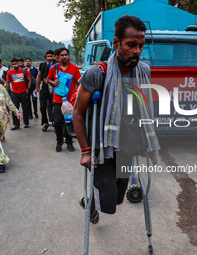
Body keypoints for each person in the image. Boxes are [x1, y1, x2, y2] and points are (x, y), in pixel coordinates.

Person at [73, 15, 160, 223]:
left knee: (119, 199)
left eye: (141, 46)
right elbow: (77, 113)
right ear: (116, 43)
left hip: (126, 145)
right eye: (131, 45)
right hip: (102, 146)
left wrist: (145, 141)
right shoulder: (97, 73)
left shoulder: (143, 72)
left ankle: (89, 202)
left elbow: (144, 109)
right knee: (108, 199)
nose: (137, 51)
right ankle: (91, 205)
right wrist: (85, 152)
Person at [47, 48, 81, 152]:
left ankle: (69, 142)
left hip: (70, 101)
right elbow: (47, 79)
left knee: (69, 122)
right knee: (57, 121)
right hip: (57, 100)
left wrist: (76, 95)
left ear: (68, 56)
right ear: (58, 57)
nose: (64, 57)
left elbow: (79, 83)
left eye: (66, 55)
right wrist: (53, 82)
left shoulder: (74, 68)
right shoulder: (54, 68)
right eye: (62, 55)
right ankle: (59, 141)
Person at [5, 58, 31, 130]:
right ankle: (16, 125)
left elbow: (29, 80)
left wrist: (27, 89)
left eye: (15, 64)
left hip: (23, 92)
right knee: (14, 109)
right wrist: (6, 93)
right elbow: (7, 82)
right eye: (13, 64)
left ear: (19, 63)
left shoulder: (24, 71)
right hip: (14, 93)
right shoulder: (10, 72)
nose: (14, 66)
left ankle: (26, 123)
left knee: (25, 108)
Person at [36, 50, 54, 131]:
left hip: (53, 88)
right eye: (48, 56)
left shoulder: (55, 65)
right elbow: (39, 76)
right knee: (42, 107)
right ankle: (45, 122)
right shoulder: (42, 65)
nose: (49, 58)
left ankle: (55, 122)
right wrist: (37, 87)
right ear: (46, 57)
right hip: (44, 88)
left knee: (53, 107)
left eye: (51, 56)